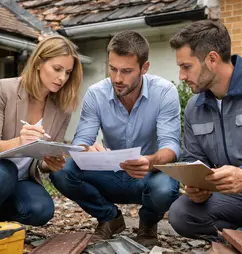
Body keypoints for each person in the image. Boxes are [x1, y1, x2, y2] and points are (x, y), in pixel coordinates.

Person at [50, 31, 181, 246]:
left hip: (147, 176)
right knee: (61, 170)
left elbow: (172, 147)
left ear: (144, 68)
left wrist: (148, 162)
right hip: (109, 173)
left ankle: (148, 223)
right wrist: (85, 150)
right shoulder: (96, 93)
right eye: (112, 69)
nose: (117, 78)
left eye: (127, 71)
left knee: (165, 187)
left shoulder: (165, 92)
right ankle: (110, 218)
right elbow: (82, 139)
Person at [168, 20, 242, 244]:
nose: (181, 76)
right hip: (236, 199)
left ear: (212, 59)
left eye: (186, 66)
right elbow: (194, 159)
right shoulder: (193, 108)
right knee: (181, 214)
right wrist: (197, 186)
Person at [0, 35, 83, 226]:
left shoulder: (62, 110)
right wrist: (19, 141)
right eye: (57, 69)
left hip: (19, 180)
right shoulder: (2, 89)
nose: (62, 78)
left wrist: (50, 163)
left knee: (41, 210)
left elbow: (41, 161)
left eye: (67, 72)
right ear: (39, 63)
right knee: (4, 171)